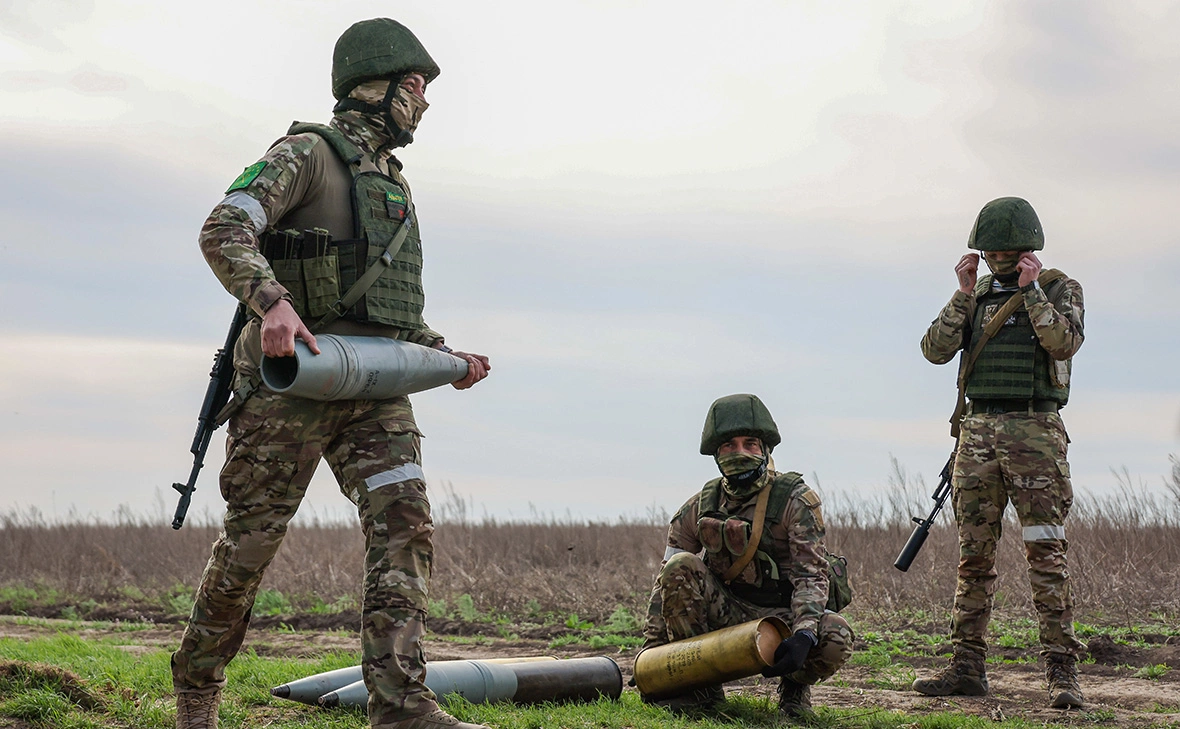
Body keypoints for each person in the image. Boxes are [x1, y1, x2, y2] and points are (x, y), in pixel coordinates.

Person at [171, 18, 492, 729]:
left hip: (374, 392)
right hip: (293, 385)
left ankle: (402, 705)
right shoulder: (305, 154)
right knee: (252, 543)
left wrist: (447, 356)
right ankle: (196, 688)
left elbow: (392, 311)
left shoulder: (396, 186)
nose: (424, 102)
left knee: (405, 528)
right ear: (374, 88)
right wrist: (272, 302)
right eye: (415, 86)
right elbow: (224, 227)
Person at [913, 196, 1085, 709]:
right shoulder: (977, 293)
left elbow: (1063, 342)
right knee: (974, 557)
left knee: (1046, 552)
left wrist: (1031, 291)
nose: (996, 260)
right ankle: (966, 667)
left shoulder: (1059, 289)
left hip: (1035, 430)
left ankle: (1061, 672)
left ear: (1027, 250)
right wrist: (963, 294)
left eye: (1004, 251)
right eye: (988, 252)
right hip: (979, 431)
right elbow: (934, 349)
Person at [639, 394, 854, 719]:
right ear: (715, 452)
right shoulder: (700, 505)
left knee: (836, 635)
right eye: (729, 445)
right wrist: (653, 658)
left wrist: (805, 632)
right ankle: (700, 691)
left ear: (765, 449)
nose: (739, 452)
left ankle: (794, 693)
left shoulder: (795, 501)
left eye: (750, 444)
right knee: (682, 566)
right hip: (725, 611)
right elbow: (665, 582)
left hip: (783, 615)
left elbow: (811, 577)